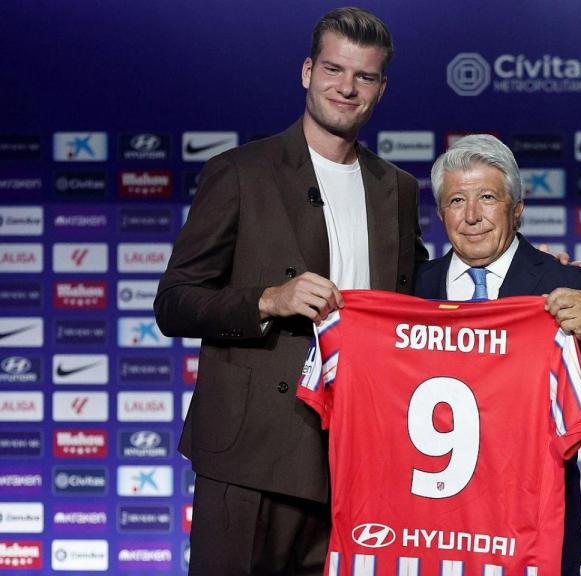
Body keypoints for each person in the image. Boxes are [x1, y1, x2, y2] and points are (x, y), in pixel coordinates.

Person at [154, 7, 426, 575]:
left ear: (381, 89)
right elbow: (174, 301)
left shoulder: (396, 188)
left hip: (355, 457)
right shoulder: (239, 172)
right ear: (307, 72)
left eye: (365, 76)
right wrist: (266, 301)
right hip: (251, 454)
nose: (346, 88)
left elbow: (423, 290)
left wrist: (522, 267)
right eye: (334, 69)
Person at [414, 134, 581, 576]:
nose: (472, 216)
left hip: (535, 525)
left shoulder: (561, 279)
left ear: (516, 208)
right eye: (456, 200)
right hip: (433, 525)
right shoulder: (414, 288)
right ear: (441, 212)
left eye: (487, 197)